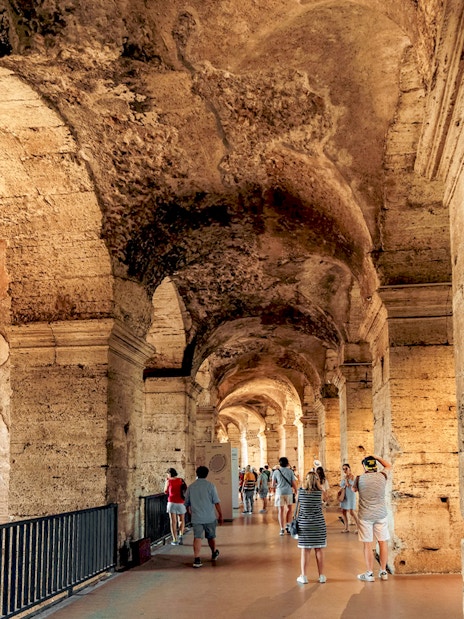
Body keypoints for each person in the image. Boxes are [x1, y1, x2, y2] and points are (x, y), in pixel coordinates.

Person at [353, 454, 392, 582]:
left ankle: (369, 573)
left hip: (365, 516)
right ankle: (383, 571)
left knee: (368, 544)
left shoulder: (359, 479)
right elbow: (388, 465)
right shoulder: (382, 476)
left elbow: (354, 490)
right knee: (382, 542)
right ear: (375, 465)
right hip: (381, 514)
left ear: (364, 466)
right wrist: (376, 457)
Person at [184, 465, 223, 568]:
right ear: (207, 474)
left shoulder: (191, 487)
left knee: (197, 537)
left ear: (196, 474)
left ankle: (197, 559)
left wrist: (189, 513)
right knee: (211, 537)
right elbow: (216, 502)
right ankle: (214, 553)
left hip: (196, 517)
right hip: (209, 517)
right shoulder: (211, 486)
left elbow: (186, 503)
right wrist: (220, 515)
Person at [295, 470, 327, 584]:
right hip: (318, 524)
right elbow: (325, 499)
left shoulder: (301, 491)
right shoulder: (320, 492)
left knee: (305, 550)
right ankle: (322, 576)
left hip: (304, 525)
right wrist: (321, 487)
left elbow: (297, 501)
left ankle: (304, 576)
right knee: (319, 549)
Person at [271, 456, 298, 535]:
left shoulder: (276, 472)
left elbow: (273, 484)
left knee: (281, 511)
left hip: (279, 493)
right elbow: (293, 483)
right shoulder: (290, 471)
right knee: (289, 509)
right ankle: (288, 526)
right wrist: (296, 491)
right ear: (287, 463)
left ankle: (282, 529)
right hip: (289, 492)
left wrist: (278, 485)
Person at [164, 468, 187, 545]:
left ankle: (174, 539)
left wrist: (167, 481)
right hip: (181, 502)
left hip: (172, 502)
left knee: (173, 522)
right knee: (181, 520)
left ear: (169, 474)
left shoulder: (168, 481)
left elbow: (165, 491)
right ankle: (181, 535)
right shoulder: (181, 480)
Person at [339, 463, 359, 533]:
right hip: (345, 495)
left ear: (349, 468)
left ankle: (358, 527)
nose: (345, 470)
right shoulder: (344, 477)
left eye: (346, 468)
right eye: (343, 469)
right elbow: (341, 485)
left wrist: (346, 481)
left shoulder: (353, 477)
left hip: (350, 495)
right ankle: (346, 527)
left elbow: (350, 485)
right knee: (343, 511)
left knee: (352, 511)